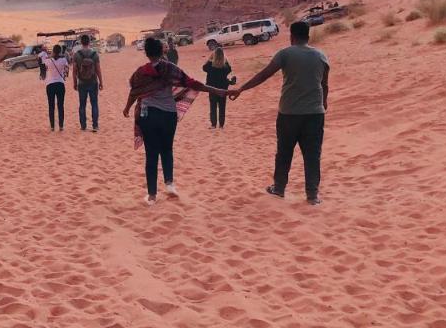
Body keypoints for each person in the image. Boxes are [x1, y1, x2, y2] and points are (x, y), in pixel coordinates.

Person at [227, 20, 329, 205]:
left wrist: (241, 88)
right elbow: (324, 84)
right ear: (308, 36)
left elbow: (264, 75)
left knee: (284, 152)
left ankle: (279, 188)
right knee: (313, 155)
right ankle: (312, 195)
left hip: (289, 113)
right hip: (315, 114)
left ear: (292, 36)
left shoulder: (285, 54)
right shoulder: (321, 56)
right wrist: (323, 104)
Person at [123, 37, 229, 204]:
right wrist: (216, 90)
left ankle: (152, 195)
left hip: (148, 115)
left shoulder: (141, 72)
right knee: (167, 149)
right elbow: (192, 83)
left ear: (146, 53)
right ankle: (170, 184)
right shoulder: (170, 69)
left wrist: (127, 108)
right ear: (161, 51)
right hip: (168, 115)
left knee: (151, 154)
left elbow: (134, 91)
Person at [72, 33, 103, 133]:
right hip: (93, 82)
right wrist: (101, 82)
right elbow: (98, 69)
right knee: (94, 104)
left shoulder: (77, 55)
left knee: (82, 105)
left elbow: (74, 71)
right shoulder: (95, 54)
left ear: (81, 42)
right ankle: (95, 125)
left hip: (82, 82)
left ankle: (83, 126)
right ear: (89, 42)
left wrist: (75, 83)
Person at [39, 43, 69, 131]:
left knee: (51, 106)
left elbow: (41, 60)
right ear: (60, 51)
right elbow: (67, 69)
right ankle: (61, 126)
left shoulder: (48, 60)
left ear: (53, 51)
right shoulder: (63, 60)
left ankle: (52, 127)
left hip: (50, 84)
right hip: (60, 84)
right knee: (60, 106)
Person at [202, 48, 233, 129]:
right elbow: (230, 69)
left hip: (212, 89)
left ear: (214, 55)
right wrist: (225, 59)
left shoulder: (210, 66)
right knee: (222, 107)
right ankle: (221, 125)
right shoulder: (225, 66)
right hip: (223, 88)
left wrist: (210, 58)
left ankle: (213, 124)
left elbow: (203, 68)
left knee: (213, 107)